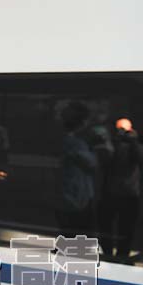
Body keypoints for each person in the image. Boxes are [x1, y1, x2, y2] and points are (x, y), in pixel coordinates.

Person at [98, 118, 143, 263]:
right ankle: (109, 252)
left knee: (126, 228)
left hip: (127, 194)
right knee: (107, 226)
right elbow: (105, 160)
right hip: (113, 192)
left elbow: (141, 158)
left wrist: (133, 142)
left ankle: (122, 254)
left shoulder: (134, 147)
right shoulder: (111, 145)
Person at [56, 102, 97, 238]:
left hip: (73, 197)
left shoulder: (70, 141)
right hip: (76, 199)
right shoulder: (75, 143)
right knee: (75, 236)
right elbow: (92, 163)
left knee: (71, 235)